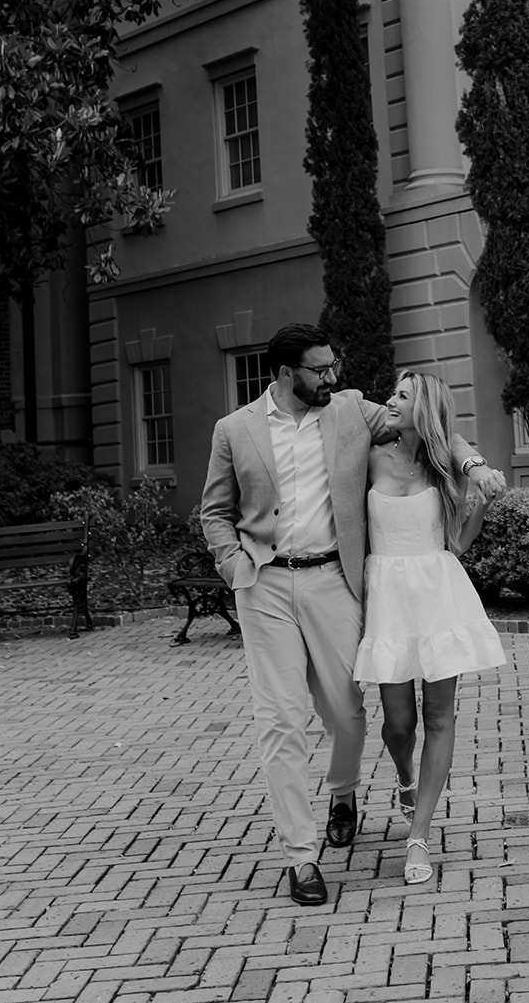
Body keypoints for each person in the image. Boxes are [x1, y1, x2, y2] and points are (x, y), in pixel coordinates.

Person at [200, 323, 500, 906]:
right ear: (287, 375)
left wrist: (474, 464)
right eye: (321, 369)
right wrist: (233, 563)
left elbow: (438, 429)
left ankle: (344, 791)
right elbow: (215, 509)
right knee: (281, 720)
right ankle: (301, 856)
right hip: (262, 582)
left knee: (345, 713)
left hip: (333, 579)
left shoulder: (349, 412)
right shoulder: (233, 429)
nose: (333, 377)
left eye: (333, 367)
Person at [352, 371, 506, 885]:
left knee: (439, 716)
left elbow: (457, 545)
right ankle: (404, 775)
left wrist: (479, 500)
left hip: (438, 594)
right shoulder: (371, 457)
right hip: (388, 599)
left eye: (402, 395)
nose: (390, 400)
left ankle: (419, 836)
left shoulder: (446, 469)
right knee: (399, 722)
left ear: (425, 408)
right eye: (393, 392)